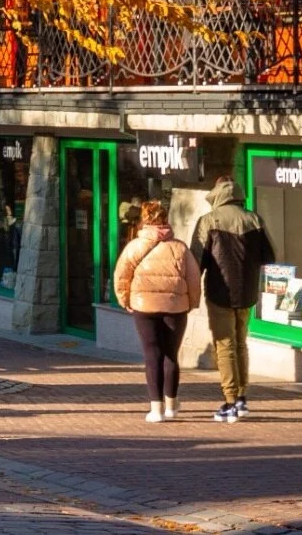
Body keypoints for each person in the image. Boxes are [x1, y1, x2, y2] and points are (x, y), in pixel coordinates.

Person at [191, 176, 275, 423]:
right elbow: (269, 254)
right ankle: (242, 397)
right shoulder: (254, 219)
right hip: (247, 291)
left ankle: (230, 400)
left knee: (225, 345)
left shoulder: (208, 221)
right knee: (240, 343)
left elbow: (197, 261)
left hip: (219, 291)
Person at [112, 199, 201, 422]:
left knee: (152, 356)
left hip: (144, 306)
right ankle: (172, 405)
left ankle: (156, 409)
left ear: (144, 219)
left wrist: (125, 300)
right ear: (165, 219)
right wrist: (192, 303)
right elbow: (194, 279)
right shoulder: (180, 247)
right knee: (171, 355)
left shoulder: (134, 247)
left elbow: (121, 276)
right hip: (176, 307)